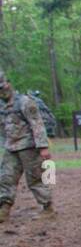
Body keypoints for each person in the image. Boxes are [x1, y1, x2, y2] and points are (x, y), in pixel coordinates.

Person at [0, 70, 54, 222]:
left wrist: (43, 147)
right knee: (5, 178)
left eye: (2, 88)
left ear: (8, 84)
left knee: (35, 178)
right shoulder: (2, 106)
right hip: (11, 147)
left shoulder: (24, 102)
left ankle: (47, 208)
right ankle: (3, 210)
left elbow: (37, 124)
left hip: (29, 147)